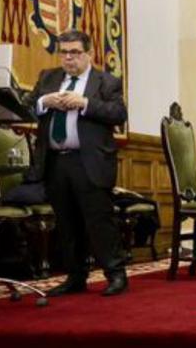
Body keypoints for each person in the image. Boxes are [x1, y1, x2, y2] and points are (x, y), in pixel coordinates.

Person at [30, 30, 128, 296]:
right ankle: (75, 277)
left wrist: (85, 103)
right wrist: (43, 101)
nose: (69, 58)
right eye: (64, 52)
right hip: (55, 161)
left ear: (89, 54)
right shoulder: (48, 78)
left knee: (99, 221)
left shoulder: (106, 82)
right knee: (66, 222)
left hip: (90, 162)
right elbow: (26, 106)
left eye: (75, 52)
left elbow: (119, 113)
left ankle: (116, 274)